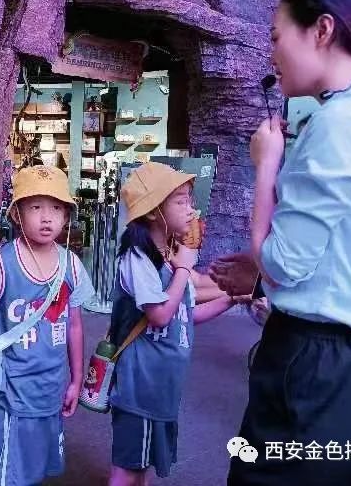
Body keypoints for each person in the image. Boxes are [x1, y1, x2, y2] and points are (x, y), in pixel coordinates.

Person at [227, 0, 351, 485]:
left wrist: (266, 166)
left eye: (276, 36)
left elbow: (283, 264)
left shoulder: (342, 122)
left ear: (322, 29)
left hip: (318, 369)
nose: (272, 53)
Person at [0, 165, 94, 486]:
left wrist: (76, 380)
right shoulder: (4, 263)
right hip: (11, 396)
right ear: (17, 214)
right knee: (6, 474)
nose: (47, 217)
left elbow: (74, 326)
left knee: (33, 470)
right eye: (35, 207)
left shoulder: (72, 265)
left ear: (67, 216)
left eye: (56, 208)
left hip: (50, 392)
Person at [107, 162, 241, 486]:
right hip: (139, 385)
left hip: (162, 386)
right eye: (181, 202)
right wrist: (183, 268)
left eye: (189, 201)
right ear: (155, 212)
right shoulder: (138, 258)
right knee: (127, 469)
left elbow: (186, 316)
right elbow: (160, 314)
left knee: (141, 468)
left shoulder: (168, 255)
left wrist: (235, 298)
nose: (191, 210)